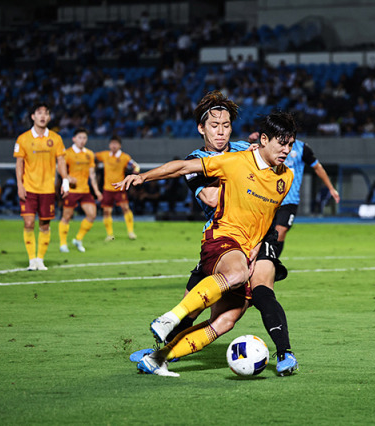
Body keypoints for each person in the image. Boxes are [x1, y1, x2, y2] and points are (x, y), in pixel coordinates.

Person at [115, 111, 297, 377]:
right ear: (264, 140)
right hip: (222, 238)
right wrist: (143, 177)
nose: (286, 150)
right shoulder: (234, 161)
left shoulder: (286, 178)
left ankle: (159, 357)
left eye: (290, 144)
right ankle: (169, 319)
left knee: (225, 321)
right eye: (281, 143)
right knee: (235, 274)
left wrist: (259, 244)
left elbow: (265, 216)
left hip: (248, 250)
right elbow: (182, 167)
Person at [14, 103, 74, 271]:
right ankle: (31, 259)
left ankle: (40, 259)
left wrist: (65, 181)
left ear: (49, 117)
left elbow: (61, 161)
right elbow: (19, 164)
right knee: (28, 222)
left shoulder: (55, 138)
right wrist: (20, 184)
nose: (42, 116)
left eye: (46, 113)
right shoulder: (23, 138)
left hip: (48, 189)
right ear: (33, 116)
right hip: (29, 188)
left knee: (45, 225)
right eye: (39, 113)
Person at [266, 136, 340, 256]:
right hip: (269, 198)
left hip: (290, 199)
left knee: (281, 230)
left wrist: (331, 188)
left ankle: (272, 263)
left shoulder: (302, 148)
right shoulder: (271, 145)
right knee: (265, 233)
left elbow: (317, 167)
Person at [58, 128, 103, 253]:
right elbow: (59, 168)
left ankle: (78, 239)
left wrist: (97, 191)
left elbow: (92, 174)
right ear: (74, 139)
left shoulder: (89, 154)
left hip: (85, 190)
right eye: (80, 138)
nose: (82, 140)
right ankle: (63, 244)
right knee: (67, 216)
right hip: (71, 191)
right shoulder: (67, 153)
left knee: (92, 215)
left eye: (84, 138)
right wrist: (67, 177)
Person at [95, 135, 140, 241]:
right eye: (112, 143)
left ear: (120, 145)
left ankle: (131, 232)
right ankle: (110, 235)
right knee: (106, 211)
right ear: (109, 145)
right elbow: (92, 157)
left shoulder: (124, 157)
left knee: (125, 208)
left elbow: (136, 166)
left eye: (116, 144)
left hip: (120, 188)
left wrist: (135, 175)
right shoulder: (105, 155)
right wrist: (94, 164)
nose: (113, 146)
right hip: (107, 189)